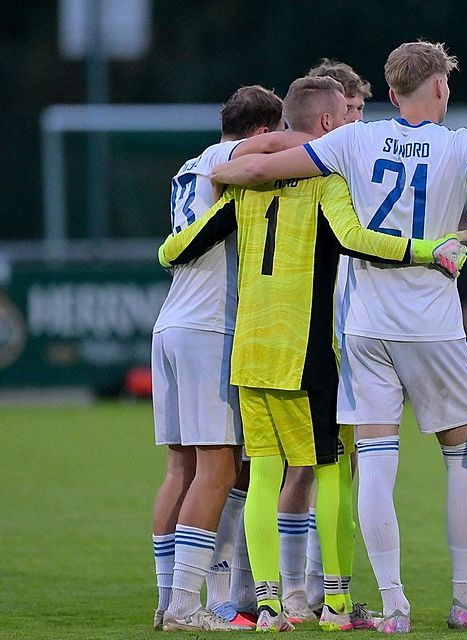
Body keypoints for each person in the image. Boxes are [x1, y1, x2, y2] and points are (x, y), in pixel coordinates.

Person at [209, 40, 467, 633]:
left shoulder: (355, 140)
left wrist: (221, 171)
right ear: (440, 86)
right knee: (462, 454)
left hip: (367, 326)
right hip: (433, 324)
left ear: (390, 93)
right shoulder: (460, 146)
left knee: (375, 462)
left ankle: (394, 606)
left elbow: (261, 168)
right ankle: (465, 601)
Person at [157, 75, 467, 632]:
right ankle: (336, 605)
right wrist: (426, 249)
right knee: (329, 472)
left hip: (250, 349)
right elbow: (356, 239)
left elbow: (176, 248)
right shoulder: (326, 183)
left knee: (264, 474)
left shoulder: (245, 189)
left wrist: (169, 248)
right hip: (306, 349)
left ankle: (269, 606)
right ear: (326, 124)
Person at [151, 84, 295, 632]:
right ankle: (185, 606)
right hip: (210, 325)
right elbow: (264, 154)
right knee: (219, 468)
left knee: (181, 468)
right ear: (260, 131)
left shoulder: (187, 167)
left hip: (173, 321)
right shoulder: (225, 156)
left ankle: (167, 599)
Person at [272, 57, 376, 626]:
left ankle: (317, 586)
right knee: (298, 467)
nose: (356, 121)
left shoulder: (361, 163)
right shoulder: (316, 171)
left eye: (361, 109)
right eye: (349, 110)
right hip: (308, 331)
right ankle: (287, 588)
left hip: (347, 329)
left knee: (340, 464)